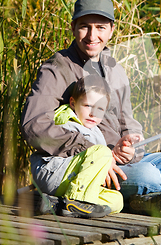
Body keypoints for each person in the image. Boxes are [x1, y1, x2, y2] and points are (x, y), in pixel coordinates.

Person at [21, 0, 161, 217]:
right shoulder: (56, 69)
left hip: (123, 162)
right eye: (84, 27)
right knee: (149, 176)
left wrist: (131, 145)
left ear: (111, 29)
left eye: (100, 27)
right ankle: (160, 202)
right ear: (73, 28)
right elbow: (34, 125)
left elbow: (128, 122)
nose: (92, 36)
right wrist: (91, 152)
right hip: (84, 165)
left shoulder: (115, 69)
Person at [29, 74, 124, 217]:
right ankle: (75, 201)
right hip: (54, 172)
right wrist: (103, 155)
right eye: (88, 106)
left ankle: (57, 204)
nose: (93, 114)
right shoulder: (66, 120)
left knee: (117, 200)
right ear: (73, 103)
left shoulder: (96, 131)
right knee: (103, 152)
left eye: (100, 109)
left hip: (71, 182)